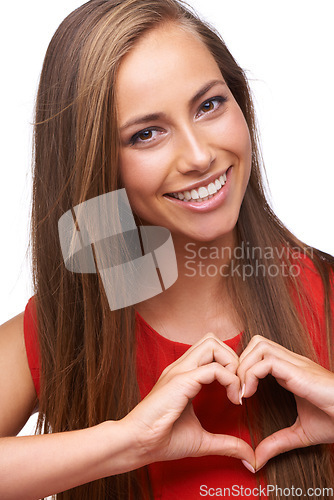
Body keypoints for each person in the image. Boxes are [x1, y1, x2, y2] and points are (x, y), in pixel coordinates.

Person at [0, 0, 333, 499]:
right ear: (96, 164)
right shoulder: (63, 329)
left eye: (209, 105)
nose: (199, 156)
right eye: (147, 134)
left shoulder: (324, 293)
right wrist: (127, 443)